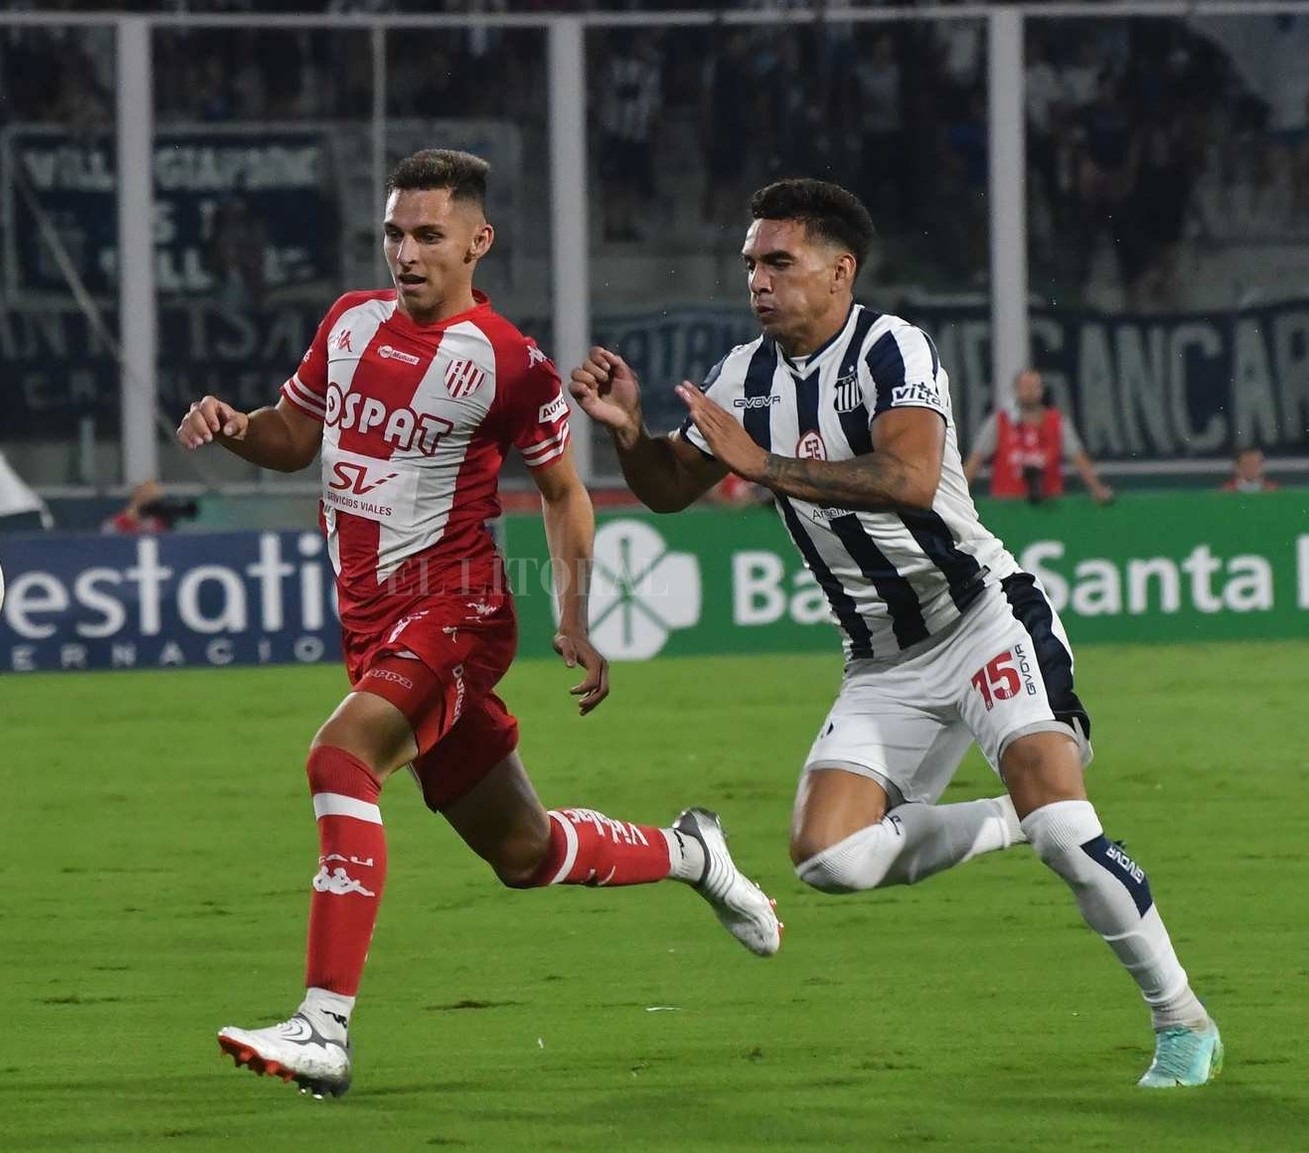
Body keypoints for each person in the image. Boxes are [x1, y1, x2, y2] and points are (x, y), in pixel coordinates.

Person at [570, 177, 1221, 1089]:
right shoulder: (741, 376)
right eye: (750, 262)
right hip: (881, 660)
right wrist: (630, 434)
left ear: (839, 271)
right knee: (828, 859)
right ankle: (1006, 820)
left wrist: (766, 464)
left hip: (983, 618)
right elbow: (670, 486)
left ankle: (1181, 1021)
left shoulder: (889, 346)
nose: (757, 279)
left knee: (1069, 829)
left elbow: (911, 477)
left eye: (778, 261)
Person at [177, 149, 779, 1100]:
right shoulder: (347, 323)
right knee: (524, 852)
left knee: (339, 760)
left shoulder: (509, 364)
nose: (404, 253)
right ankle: (692, 852)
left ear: (475, 241)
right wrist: (236, 424)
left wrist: (574, 615)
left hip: (457, 610)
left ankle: (322, 1027)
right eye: (393, 233)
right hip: (374, 622)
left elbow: (564, 494)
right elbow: (295, 436)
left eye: (426, 235)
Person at [963, 367, 1115, 504]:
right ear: (1016, 390)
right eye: (1025, 387)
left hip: (1050, 504)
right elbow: (976, 460)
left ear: (1042, 390)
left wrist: (1097, 488)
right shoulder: (999, 422)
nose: (1029, 391)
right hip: (1007, 505)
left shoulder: (1057, 422)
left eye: (1034, 386)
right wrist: (959, 495)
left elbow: (1079, 458)